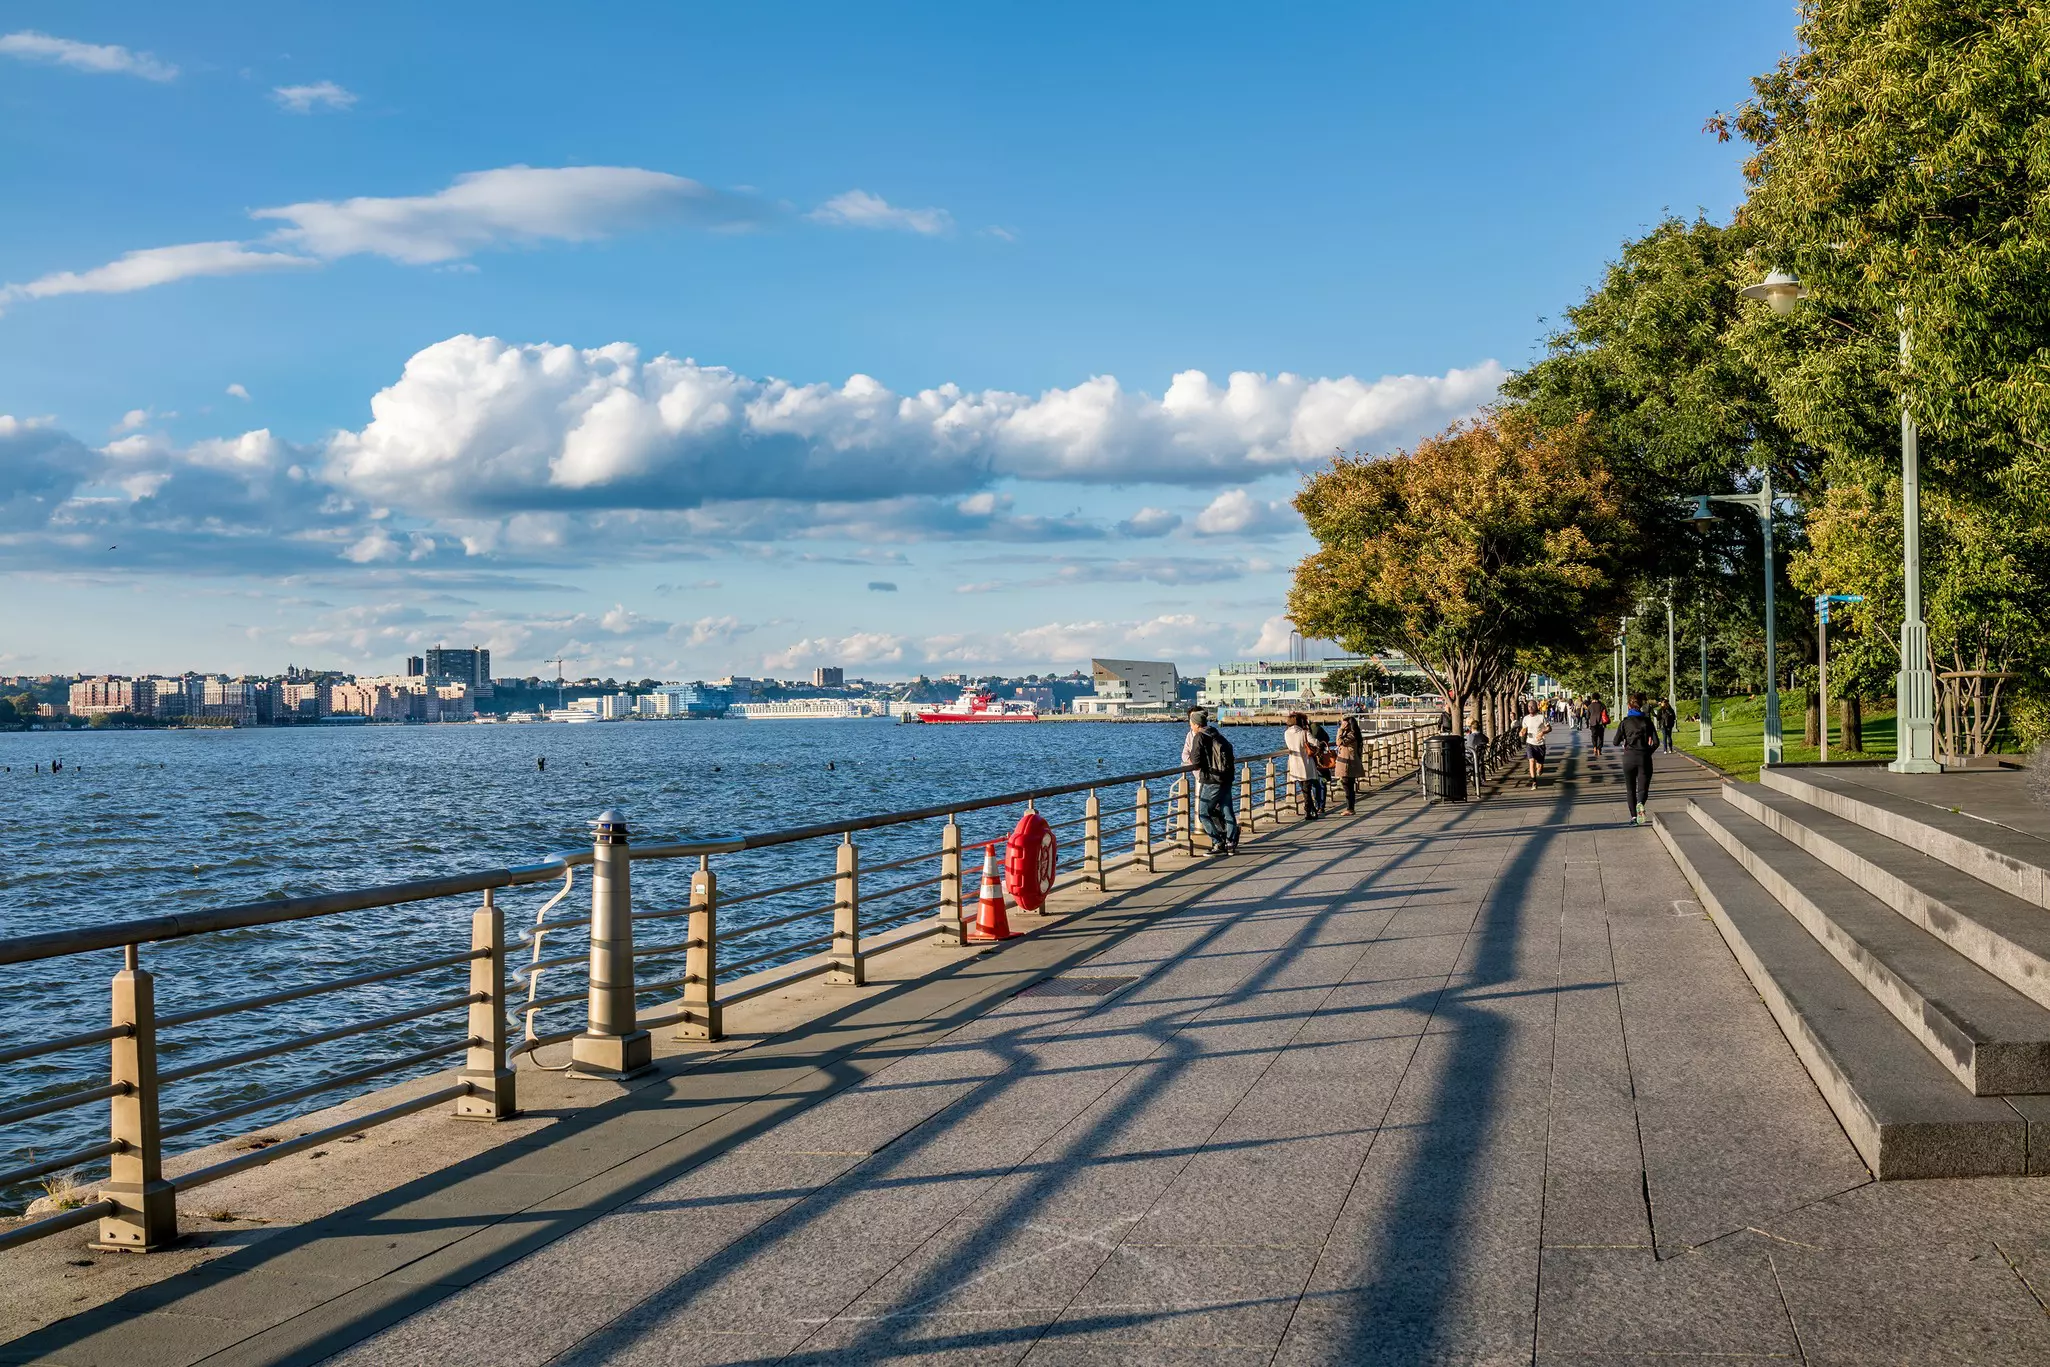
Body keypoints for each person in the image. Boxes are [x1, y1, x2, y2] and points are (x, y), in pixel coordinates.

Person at [1182, 709, 1239, 854]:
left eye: (1191, 723)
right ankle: (1231, 843)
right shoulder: (1216, 733)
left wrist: (1188, 762)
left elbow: (1195, 760)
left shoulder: (1199, 736)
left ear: (1195, 724)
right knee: (1227, 810)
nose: (1191, 726)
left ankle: (1217, 842)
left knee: (1203, 813)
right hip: (1226, 777)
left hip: (1211, 779)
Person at [1615, 693, 1661, 825]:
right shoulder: (1647, 721)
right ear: (1641, 706)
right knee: (1643, 788)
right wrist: (1648, 751)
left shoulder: (1624, 722)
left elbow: (1615, 742)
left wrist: (1625, 738)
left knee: (1630, 789)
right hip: (1644, 757)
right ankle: (1640, 803)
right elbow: (1656, 743)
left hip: (1629, 758)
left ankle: (1633, 817)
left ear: (1629, 706)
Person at [1284, 712, 1321, 820]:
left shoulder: (1286, 733)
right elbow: (1316, 743)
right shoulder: (1304, 733)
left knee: (1304, 789)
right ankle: (1308, 811)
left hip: (1294, 763)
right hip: (1306, 763)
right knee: (1307, 788)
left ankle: (1311, 810)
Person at [1334, 715, 1365, 815]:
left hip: (1348, 763)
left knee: (1347, 786)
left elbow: (1339, 742)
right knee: (1348, 785)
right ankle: (1350, 808)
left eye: (1344, 723)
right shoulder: (1354, 734)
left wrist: (1340, 730)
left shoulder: (1351, 734)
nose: (1342, 724)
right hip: (1348, 762)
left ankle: (1350, 808)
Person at [1519, 701, 1552, 788]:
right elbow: (1524, 728)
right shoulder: (1525, 718)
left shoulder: (1541, 717)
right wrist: (1522, 732)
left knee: (1539, 767)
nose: (1530, 708)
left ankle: (1540, 768)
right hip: (1530, 743)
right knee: (1531, 761)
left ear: (1536, 707)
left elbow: (1549, 728)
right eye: (1529, 706)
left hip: (1540, 744)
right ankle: (1534, 782)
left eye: (1532, 706)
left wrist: (1543, 732)